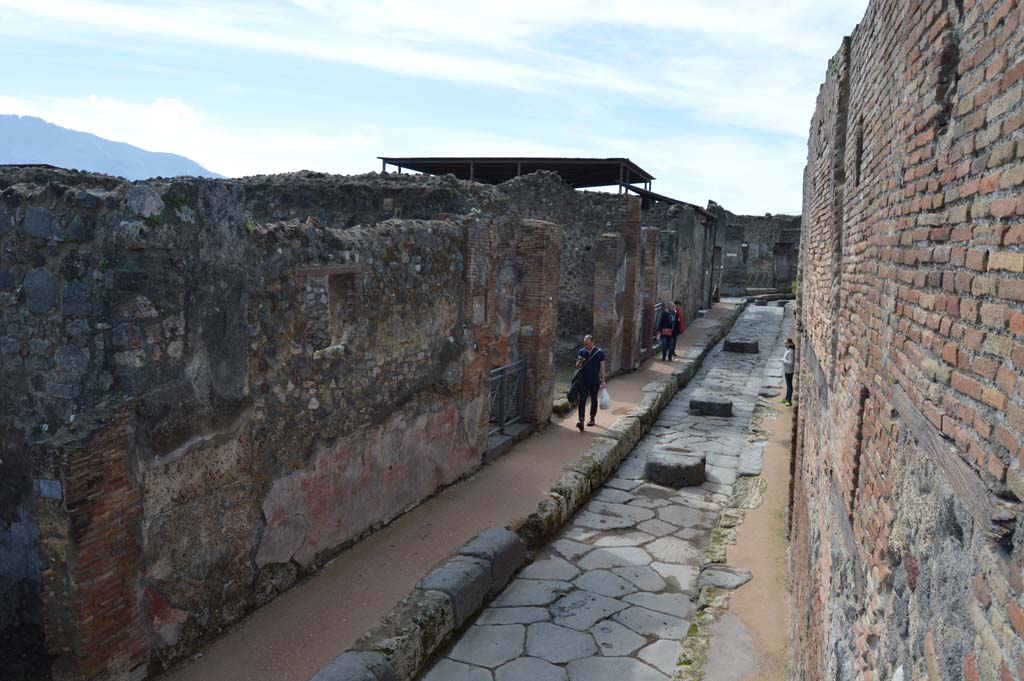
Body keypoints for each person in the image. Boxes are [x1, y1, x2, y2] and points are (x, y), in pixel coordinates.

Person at [575, 335, 606, 431]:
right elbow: (578, 366)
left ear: (593, 342)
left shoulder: (600, 353)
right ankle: (581, 421)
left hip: (595, 380)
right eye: (585, 344)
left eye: (588, 344)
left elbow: (602, 367)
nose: (586, 346)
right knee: (582, 400)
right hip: (583, 380)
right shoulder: (581, 351)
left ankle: (592, 418)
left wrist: (603, 381)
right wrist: (580, 361)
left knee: (594, 399)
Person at [782, 338, 795, 406]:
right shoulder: (787, 350)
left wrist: (783, 360)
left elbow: (791, 363)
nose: (785, 344)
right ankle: (786, 398)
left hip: (789, 371)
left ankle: (789, 400)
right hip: (786, 370)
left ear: (790, 343)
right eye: (784, 343)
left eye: (786, 343)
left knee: (789, 385)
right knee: (788, 385)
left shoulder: (791, 352)